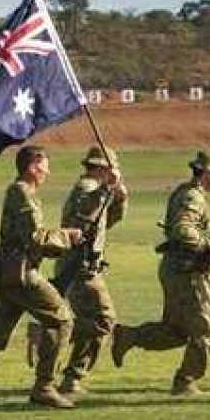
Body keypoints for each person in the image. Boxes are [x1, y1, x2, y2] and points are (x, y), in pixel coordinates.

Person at [0, 145, 83, 414]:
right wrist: (66, 236)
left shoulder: (23, 192)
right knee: (63, 320)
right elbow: (34, 237)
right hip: (23, 276)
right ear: (32, 167)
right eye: (45, 165)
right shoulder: (22, 193)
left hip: (10, 276)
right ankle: (44, 387)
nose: (48, 171)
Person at [111, 150, 210, 395]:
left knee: (176, 332)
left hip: (177, 269)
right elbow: (182, 229)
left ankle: (129, 336)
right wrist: (208, 245)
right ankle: (185, 381)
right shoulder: (192, 197)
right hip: (187, 272)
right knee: (207, 334)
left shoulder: (187, 192)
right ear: (206, 174)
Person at [55, 146, 129, 395]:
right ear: (103, 168)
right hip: (79, 267)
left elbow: (107, 221)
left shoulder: (94, 189)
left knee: (95, 319)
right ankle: (72, 376)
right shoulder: (88, 188)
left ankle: (55, 342)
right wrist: (106, 190)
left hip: (86, 266)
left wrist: (119, 197)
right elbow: (84, 220)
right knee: (103, 320)